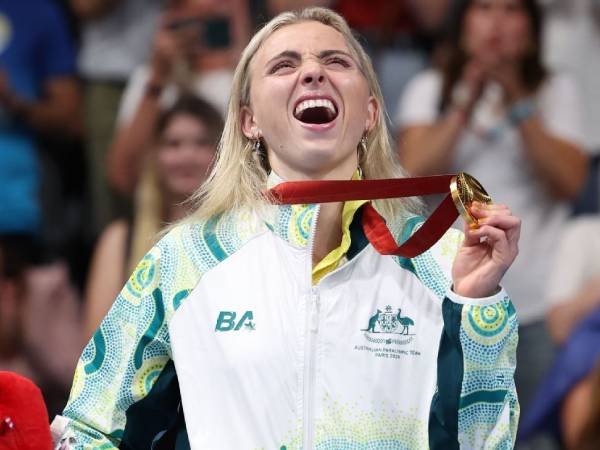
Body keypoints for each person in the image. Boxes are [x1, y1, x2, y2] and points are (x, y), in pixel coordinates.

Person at [52, 7, 521, 449]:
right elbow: (89, 429)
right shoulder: (188, 258)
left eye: (336, 61)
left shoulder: (441, 262)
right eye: (283, 66)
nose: (313, 72)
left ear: (371, 113)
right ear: (249, 120)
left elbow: (484, 442)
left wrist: (475, 306)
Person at [396, 0, 588, 442]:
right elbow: (414, 172)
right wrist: (465, 99)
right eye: (483, 9)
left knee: (538, 439)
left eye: (510, 9)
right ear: (462, 24)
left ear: (531, 26)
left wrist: (518, 99)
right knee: (451, 433)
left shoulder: (557, 90)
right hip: (447, 295)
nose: (496, 23)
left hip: (538, 299)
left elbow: (570, 182)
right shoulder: (430, 88)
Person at [82, 95, 223, 341]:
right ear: (154, 155)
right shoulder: (121, 239)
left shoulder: (242, 235)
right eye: (173, 144)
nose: (186, 156)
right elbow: (97, 344)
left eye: (201, 143)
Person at [107, 0, 250, 195]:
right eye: (185, 13)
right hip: (163, 215)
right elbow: (122, 176)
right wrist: (158, 78)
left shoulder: (247, 79)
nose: (197, 31)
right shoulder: (150, 80)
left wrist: (243, 57)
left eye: (212, 18)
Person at [69, 0, 165, 235]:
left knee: (180, 171)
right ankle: (119, 265)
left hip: (175, 67)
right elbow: (85, 7)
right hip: (111, 79)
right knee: (115, 193)